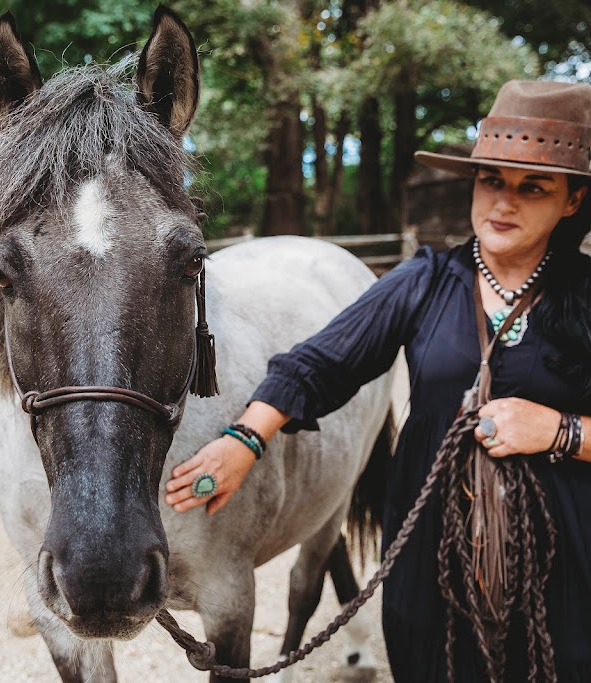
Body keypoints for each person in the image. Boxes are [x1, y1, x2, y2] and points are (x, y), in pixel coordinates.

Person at [164, 79, 591, 681]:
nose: (504, 203)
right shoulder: (423, 283)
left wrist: (560, 431)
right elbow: (318, 365)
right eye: (492, 180)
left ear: (571, 201)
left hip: (567, 562)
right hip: (433, 555)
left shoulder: (585, 296)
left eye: (534, 187)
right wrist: (245, 441)